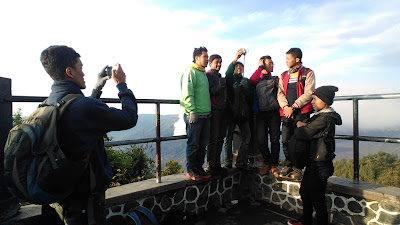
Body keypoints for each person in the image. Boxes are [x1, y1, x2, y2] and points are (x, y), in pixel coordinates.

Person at [40, 45, 138, 225]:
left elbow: (83, 111)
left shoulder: (47, 104)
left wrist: (97, 88)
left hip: (58, 191)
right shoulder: (84, 107)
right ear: (69, 72)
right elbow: (129, 118)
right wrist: (122, 85)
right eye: (81, 68)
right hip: (84, 199)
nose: (83, 73)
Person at [287, 85, 342, 225]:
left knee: (317, 199)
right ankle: (306, 221)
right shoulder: (320, 117)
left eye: (315, 99)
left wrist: (299, 125)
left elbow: (304, 133)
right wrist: (302, 124)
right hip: (314, 162)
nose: (312, 102)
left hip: (320, 164)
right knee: (306, 193)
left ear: (325, 101)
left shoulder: (325, 119)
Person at [277, 47, 315, 180]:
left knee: (300, 142)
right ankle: (288, 164)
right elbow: (280, 93)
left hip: (302, 113)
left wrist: (293, 107)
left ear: (297, 59)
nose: (286, 61)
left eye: (288, 58)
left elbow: (309, 93)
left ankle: (298, 168)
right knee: (285, 140)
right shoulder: (283, 75)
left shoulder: (308, 73)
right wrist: (286, 107)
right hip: (287, 113)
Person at [180, 46, 212, 181]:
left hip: (205, 114)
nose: (207, 59)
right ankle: (191, 169)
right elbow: (188, 93)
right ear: (196, 57)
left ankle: (198, 168)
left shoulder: (202, 73)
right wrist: (191, 111)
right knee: (193, 143)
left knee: (202, 144)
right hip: (195, 115)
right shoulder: (190, 72)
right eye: (205, 57)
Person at [249, 55, 281, 177]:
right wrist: (260, 68)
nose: (272, 65)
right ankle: (267, 162)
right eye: (269, 63)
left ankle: (274, 164)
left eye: (272, 63)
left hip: (274, 112)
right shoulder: (257, 79)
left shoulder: (276, 79)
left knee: (274, 139)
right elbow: (251, 81)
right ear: (262, 64)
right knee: (261, 140)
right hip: (261, 113)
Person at [224, 49, 252, 169]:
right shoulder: (231, 79)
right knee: (228, 138)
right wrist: (236, 59)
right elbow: (228, 73)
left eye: (241, 67)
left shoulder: (246, 81)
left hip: (243, 113)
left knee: (247, 137)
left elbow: (250, 96)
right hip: (231, 113)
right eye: (237, 67)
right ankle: (228, 162)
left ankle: (240, 161)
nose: (239, 68)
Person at [205, 54, 229, 176]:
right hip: (214, 110)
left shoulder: (219, 76)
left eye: (220, 62)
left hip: (222, 110)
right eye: (216, 62)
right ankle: (211, 165)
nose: (219, 64)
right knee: (214, 138)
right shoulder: (209, 75)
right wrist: (220, 86)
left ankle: (217, 164)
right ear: (210, 63)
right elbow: (210, 92)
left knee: (220, 138)